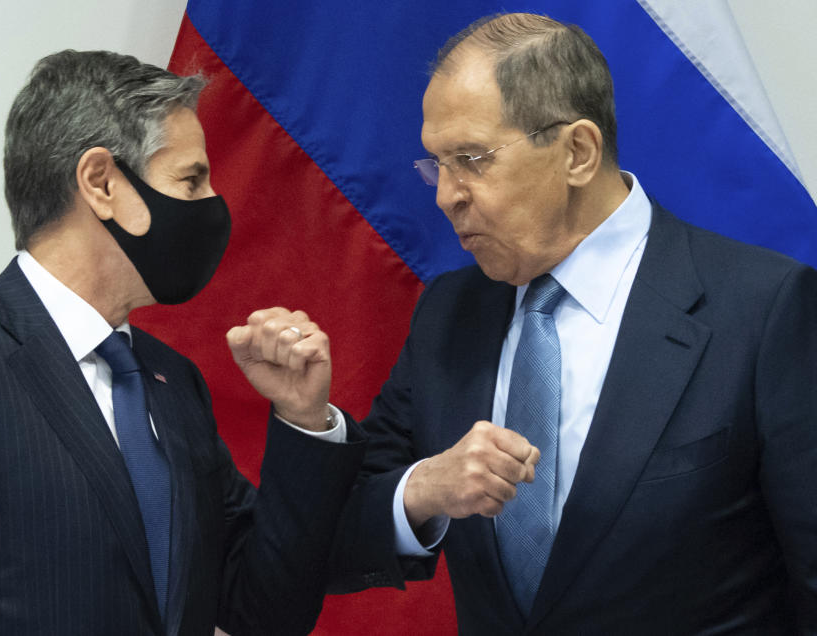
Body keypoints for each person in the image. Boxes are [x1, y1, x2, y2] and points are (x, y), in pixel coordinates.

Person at [326, 12, 817, 634]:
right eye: (437, 165)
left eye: (471, 159)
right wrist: (424, 487)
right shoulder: (449, 315)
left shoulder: (764, 308)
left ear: (578, 153)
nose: (445, 194)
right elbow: (335, 542)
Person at [0, 50, 365, 635]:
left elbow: (264, 610)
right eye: (192, 178)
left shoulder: (172, 381)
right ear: (101, 183)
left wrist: (303, 418)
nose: (212, 204)